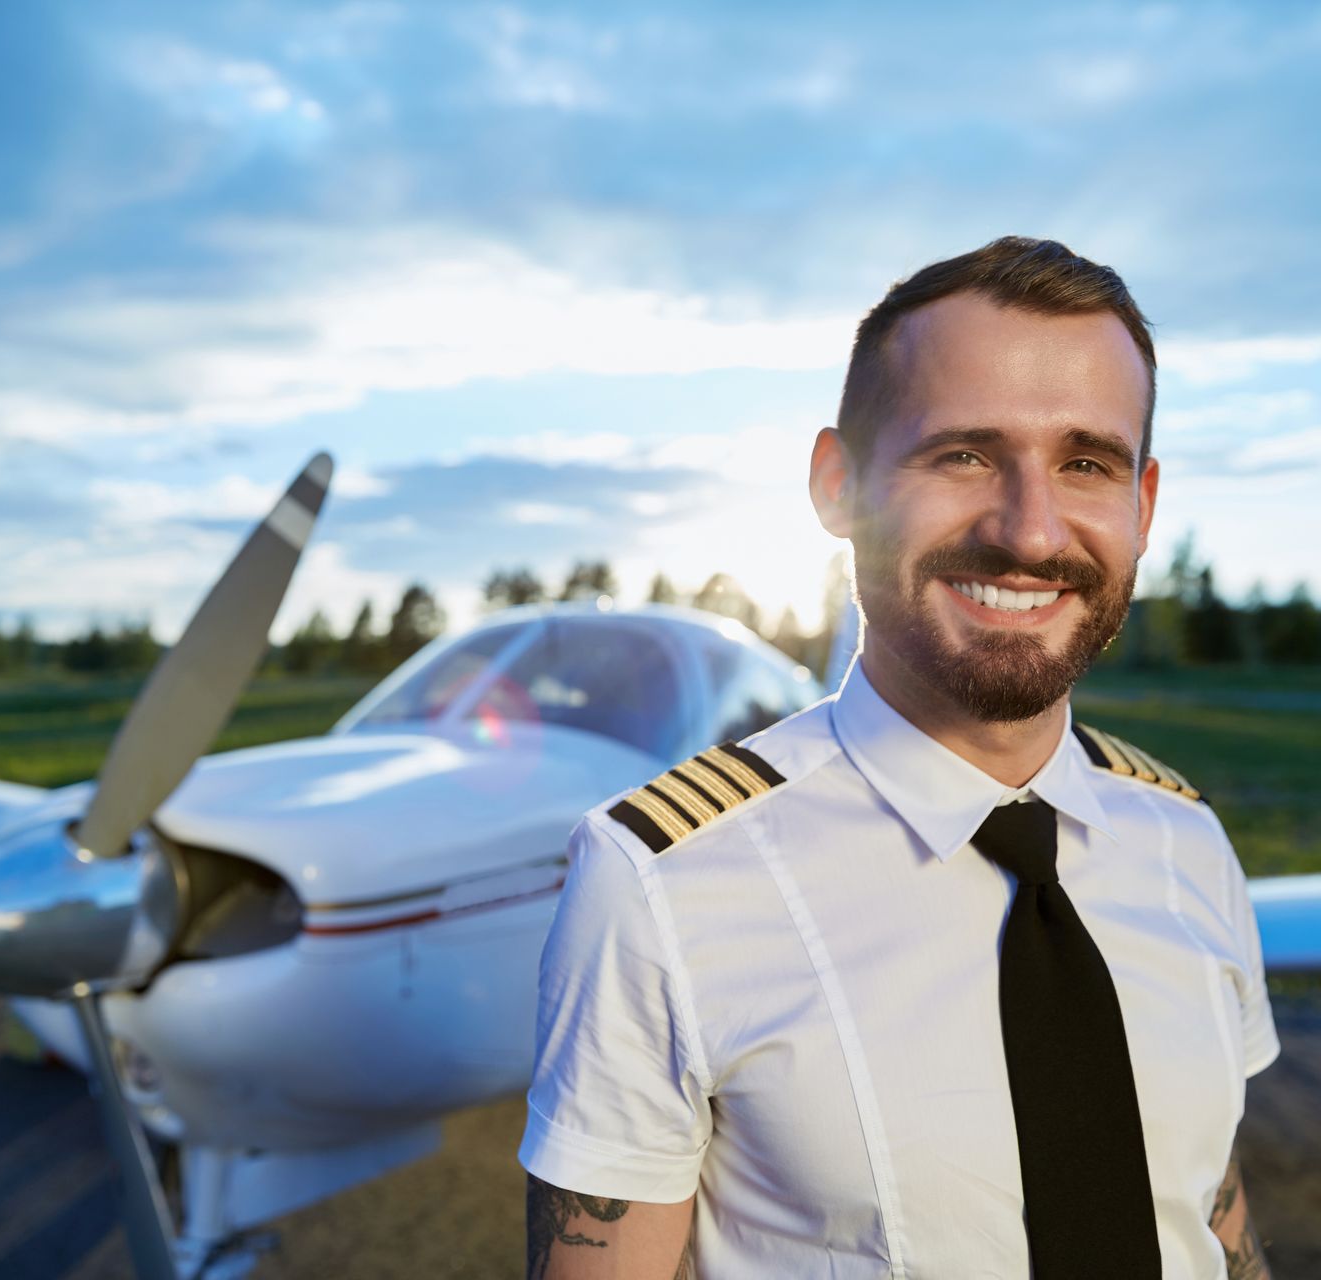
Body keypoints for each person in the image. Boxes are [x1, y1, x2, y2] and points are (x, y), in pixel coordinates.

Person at [519, 237, 1278, 1279]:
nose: (1029, 529)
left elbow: (1210, 1214)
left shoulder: (1187, 843)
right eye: (963, 452)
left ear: (1143, 505)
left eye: (1086, 462)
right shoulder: (658, 882)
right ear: (839, 485)